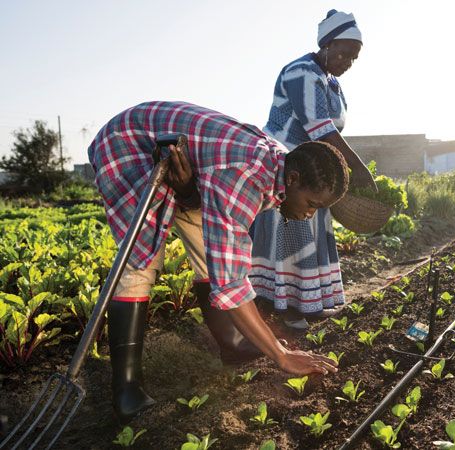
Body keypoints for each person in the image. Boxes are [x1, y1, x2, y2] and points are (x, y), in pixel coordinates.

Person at [88, 101, 341, 422]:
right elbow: (232, 282)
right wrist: (282, 355)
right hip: (128, 145)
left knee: (209, 252)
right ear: (292, 179)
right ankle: (126, 390)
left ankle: (233, 344)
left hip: (187, 164)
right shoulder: (244, 177)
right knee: (139, 261)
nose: (310, 214)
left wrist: (188, 190)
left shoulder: (281, 164)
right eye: (311, 204)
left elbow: (220, 247)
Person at [249, 9, 375, 329]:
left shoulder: (331, 82)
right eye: (344, 52)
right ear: (327, 44)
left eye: (354, 58)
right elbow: (321, 129)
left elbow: (330, 132)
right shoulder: (302, 72)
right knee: (293, 231)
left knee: (310, 229)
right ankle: (287, 308)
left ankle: (309, 303)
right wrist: (357, 169)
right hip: (285, 166)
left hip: (314, 168)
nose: (347, 61)